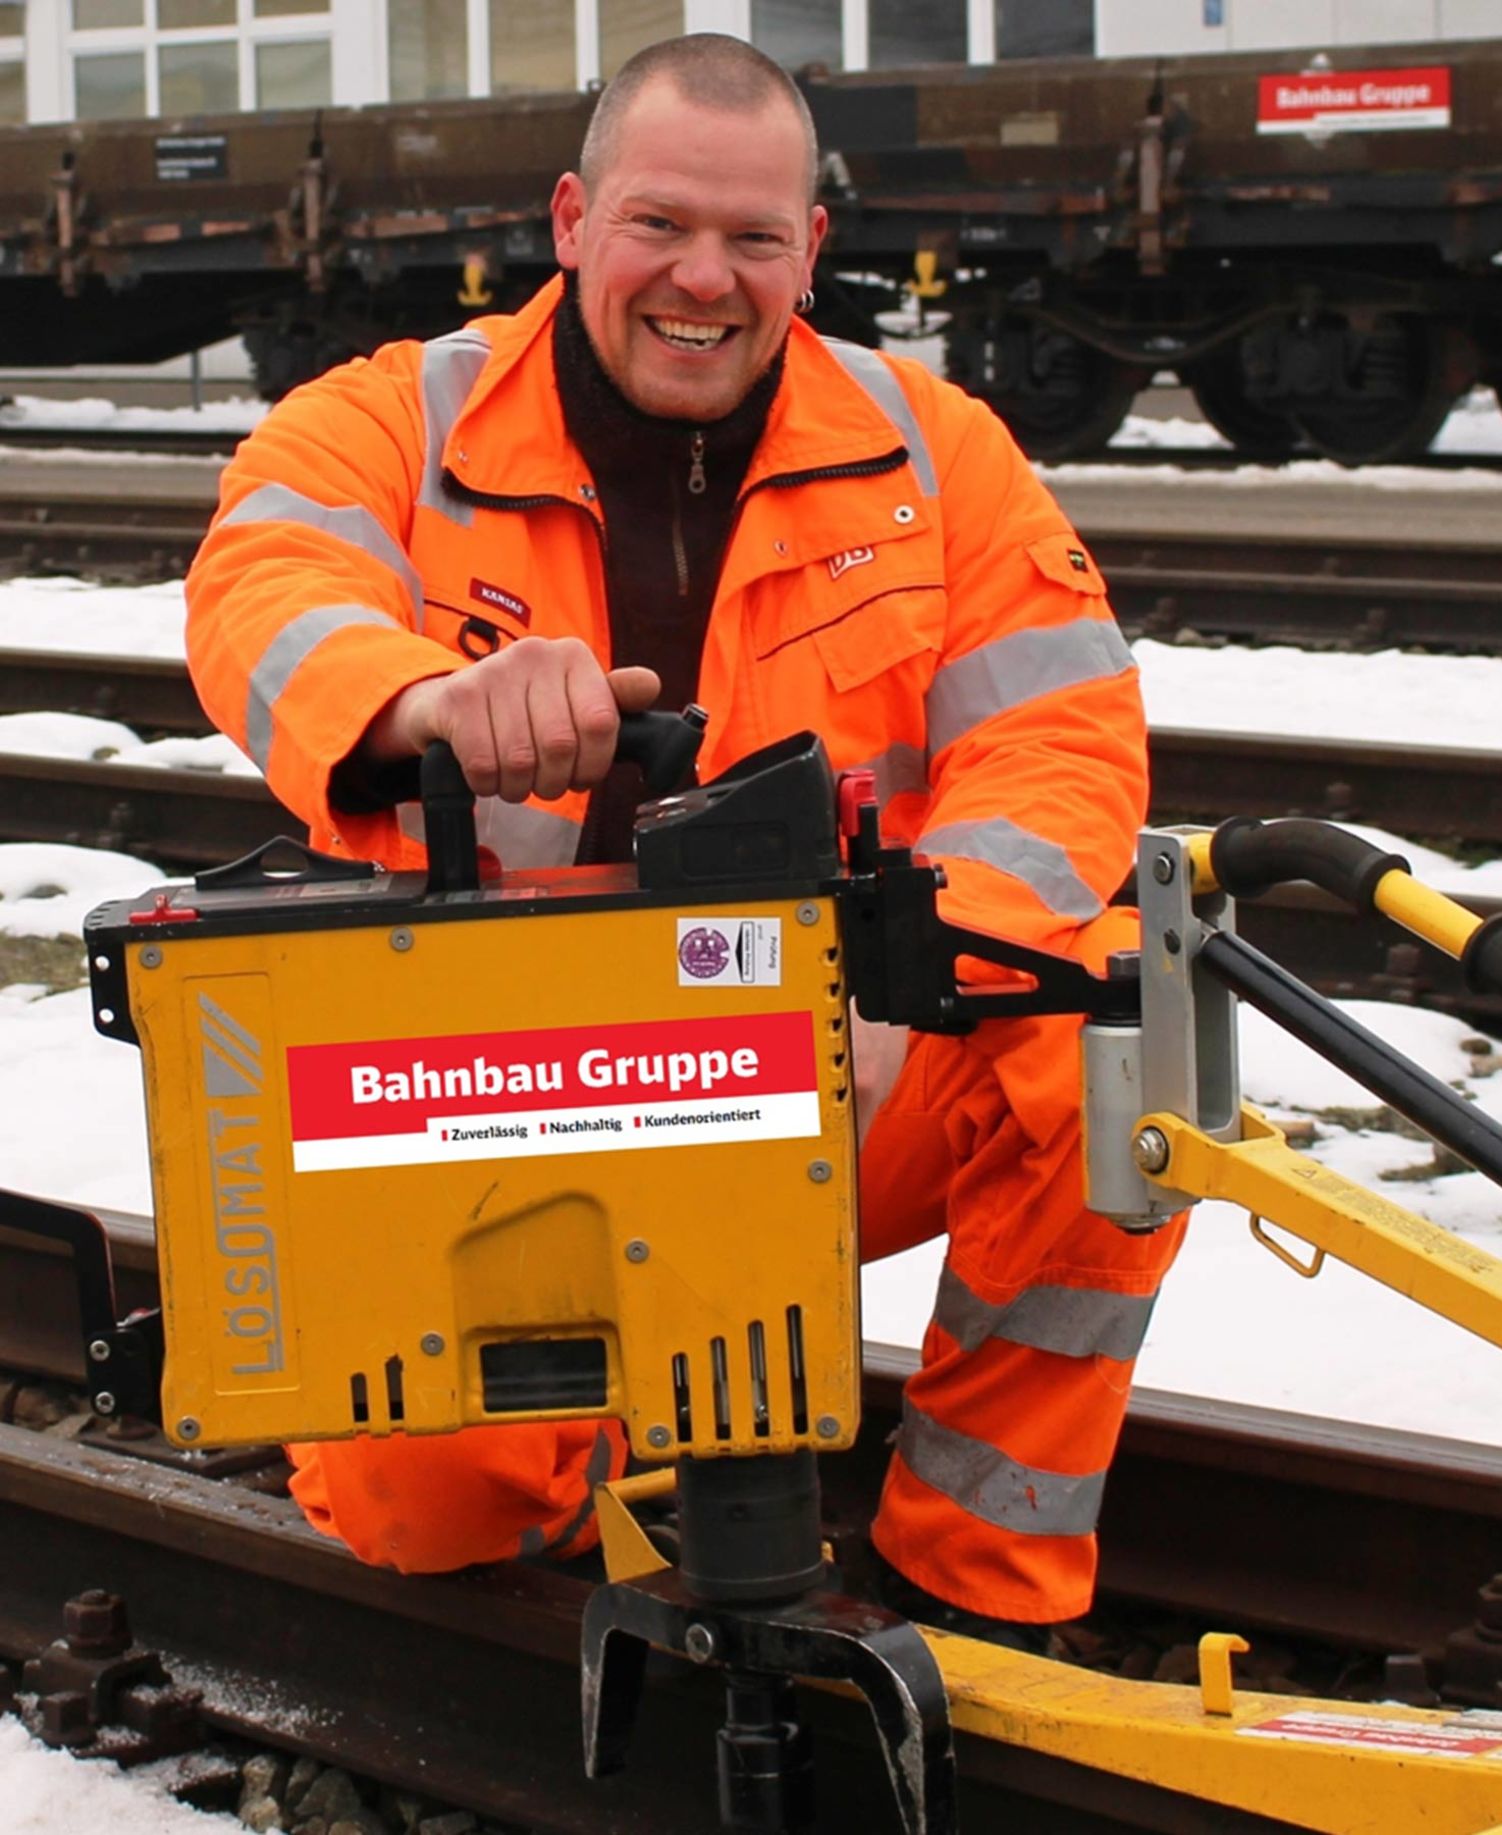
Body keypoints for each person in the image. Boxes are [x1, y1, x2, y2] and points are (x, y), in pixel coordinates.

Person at [184, 33, 1185, 1652]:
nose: (702, 281)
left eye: (753, 239)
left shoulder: (940, 457)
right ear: (573, 219)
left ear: (813, 251)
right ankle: (579, 1429)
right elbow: (263, 594)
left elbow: (1062, 741)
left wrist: (899, 977)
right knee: (433, 1514)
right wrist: (422, 704)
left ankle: (966, 1582)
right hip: (493, 1087)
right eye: (659, 225)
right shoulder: (389, 421)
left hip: (821, 1072)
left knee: (1113, 1038)